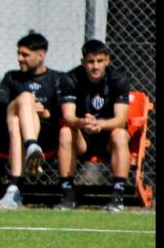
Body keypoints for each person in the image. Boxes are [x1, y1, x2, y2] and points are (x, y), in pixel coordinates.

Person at [56, 39, 131, 213]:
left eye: (99, 61)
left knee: (120, 134)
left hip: (108, 138)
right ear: (83, 62)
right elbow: (68, 116)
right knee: (65, 132)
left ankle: (118, 197)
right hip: (83, 138)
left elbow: (121, 119)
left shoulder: (118, 79)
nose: (95, 66)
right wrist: (83, 122)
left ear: (107, 61)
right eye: (90, 62)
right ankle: (67, 195)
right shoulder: (70, 79)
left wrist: (101, 124)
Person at [0, 32, 62, 209]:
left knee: (18, 120)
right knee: (24, 98)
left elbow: (65, 111)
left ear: (41, 55)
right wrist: (27, 105)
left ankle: (14, 189)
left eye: (25, 55)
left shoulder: (57, 79)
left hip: (46, 136)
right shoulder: (11, 77)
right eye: (18, 54)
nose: (19, 58)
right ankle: (31, 146)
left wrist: (45, 112)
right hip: (8, 134)